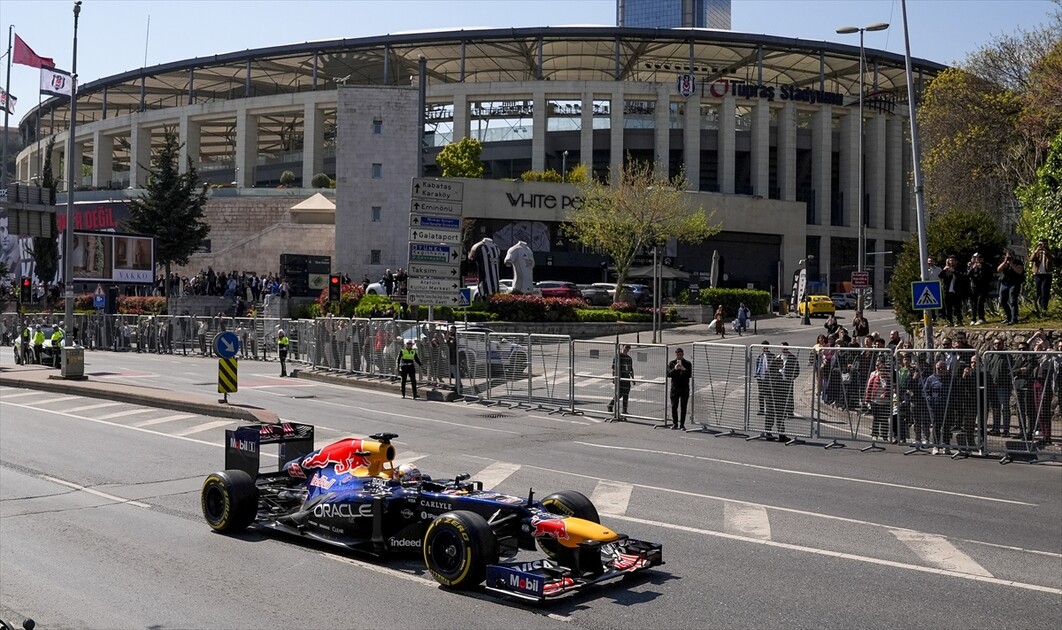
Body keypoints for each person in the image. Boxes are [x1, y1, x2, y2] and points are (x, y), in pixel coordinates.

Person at [666, 348, 692, 430]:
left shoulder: (687, 363)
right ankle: (675, 423)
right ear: (676, 355)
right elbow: (668, 374)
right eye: (678, 355)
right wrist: (675, 369)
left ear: (683, 355)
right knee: (674, 406)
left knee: (683, 407)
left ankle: (682, 424)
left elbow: (690, 374)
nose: (679, 357)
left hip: (684, 388)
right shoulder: (672, 363)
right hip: (675, 388)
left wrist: (683, 369)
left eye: (681, 355)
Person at [997, 250, 1025, 325]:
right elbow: (998, 270)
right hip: (1005, 283)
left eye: (1010, 255)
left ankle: (1014, 319)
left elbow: (1019, 271)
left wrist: (1012, 264)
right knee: (1002, 300)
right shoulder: (1004, 262)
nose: (1009, 257)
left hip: (1014, 283)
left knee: (1012, 300)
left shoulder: (1018, 262)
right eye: (1008, 255)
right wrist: (1005, 262)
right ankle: (1008, 317)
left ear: (1014, 255)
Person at [938, 254, 966, 326]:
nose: (952, 262)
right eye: (950, 260)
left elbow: (962, 276)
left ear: (956, 261)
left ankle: (959, 320)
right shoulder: (946, 269)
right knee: (948, 307)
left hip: (956, 291)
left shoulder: (959, 269)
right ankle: (950, 321)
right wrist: (944, 269)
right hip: (947, 291)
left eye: (953, 260)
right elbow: (940, 276)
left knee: (957, 307)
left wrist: (954, 271)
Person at [608, 344, 634, 415]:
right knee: (619, 393)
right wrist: (613, 377)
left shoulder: (629, 358)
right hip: (620, 377)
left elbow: (631, 369)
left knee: (626, 394)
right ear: (622, 347)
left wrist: (633, 378)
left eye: (629, 348)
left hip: (626, 378)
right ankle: (610, 405)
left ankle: (624, 410)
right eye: (626, 347)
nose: (627, 349)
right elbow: (613, 368)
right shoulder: (618, 357)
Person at [1029, 239, 1054, 314]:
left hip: (1047, 274)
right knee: (1038, 291)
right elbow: (1031, 259)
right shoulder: (1037, 251)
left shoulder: (1050, 251)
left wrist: (1046, 252)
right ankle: (1038, 308)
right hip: (1038, 274)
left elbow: (1052, 259)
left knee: (1045, 291)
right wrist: (1036, 251)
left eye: (1044, 244)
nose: (1042, 246)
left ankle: (1044, 308)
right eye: (1040, 244)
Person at [966, 252, 992, 325]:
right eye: (976, 258)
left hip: (983, 287)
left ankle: (981, 318)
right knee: (974, 303)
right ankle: (973, 318)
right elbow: (967, 275)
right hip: (974, 287)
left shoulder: (987, 266)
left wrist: (981, 268)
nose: (978, 260)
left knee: (980, 302)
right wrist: (972, 268)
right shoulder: (972, 266)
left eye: (979, 259)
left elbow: (989, 275)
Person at [755, 341, 772, 415]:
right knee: (760, 394)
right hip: (760, 377)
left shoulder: (771, 356)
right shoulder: (760, 356)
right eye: (763, 347)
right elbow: (757, 365)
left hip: (767, 378)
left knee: (767, 394)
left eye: (765, 347)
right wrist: (756, 373)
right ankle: (761, 409)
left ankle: (768, 409)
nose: (764, 348)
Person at [446, 325, 462, 396]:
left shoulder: (455, 338)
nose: (451, 331)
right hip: (451, 357)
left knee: (456, 372)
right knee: (454, 372)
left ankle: (458, 386)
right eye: (450, 330)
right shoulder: (451, 337)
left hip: (455, 357)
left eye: (452, 330)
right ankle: (458, 384)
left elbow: (452, 346)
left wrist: (447, 340)